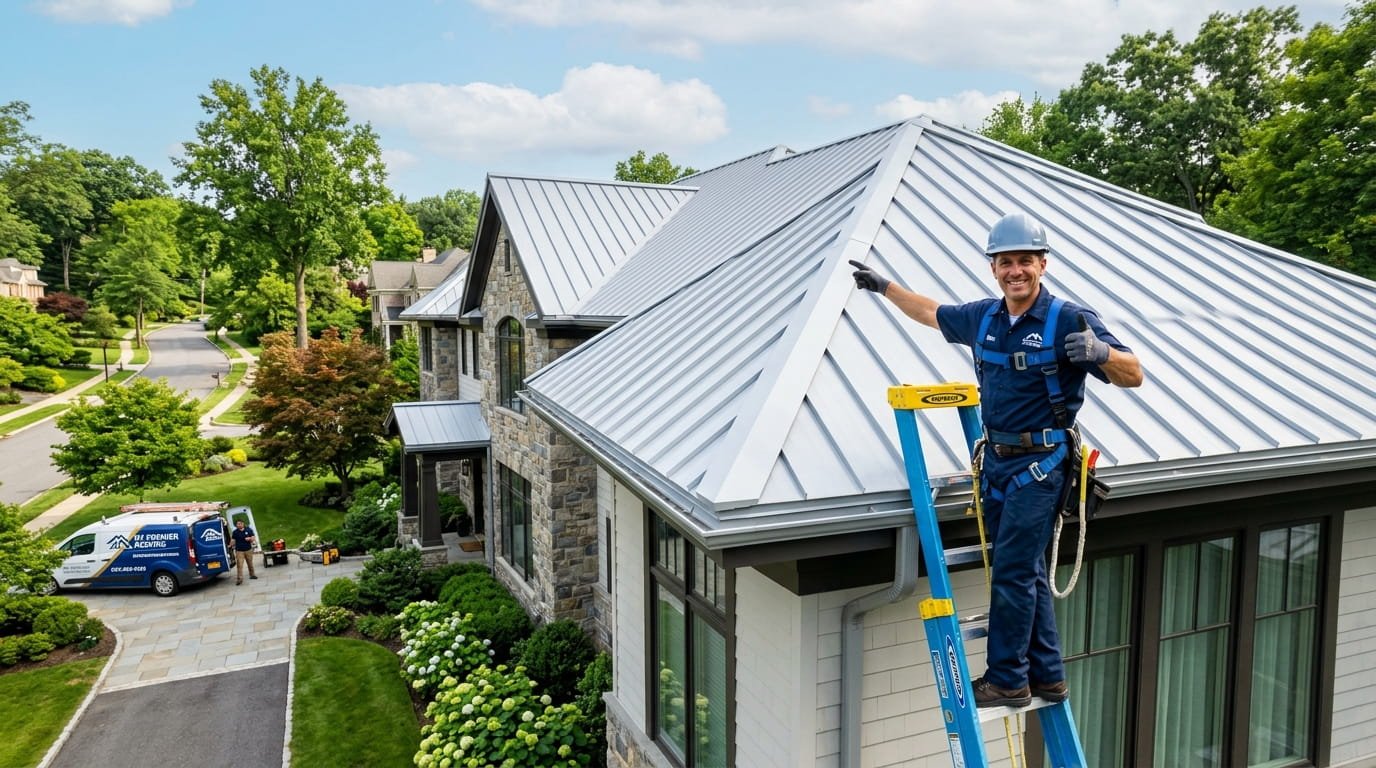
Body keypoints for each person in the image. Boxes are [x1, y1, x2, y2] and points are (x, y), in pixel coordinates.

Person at [850, 211, 1143, 708]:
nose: (1015, 271)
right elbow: (930, 312)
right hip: (997, 463)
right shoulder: (984, 318)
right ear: (994, 268)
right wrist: (884, 287)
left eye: (1024, 261)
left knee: (1010, 572)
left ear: (1042, 264)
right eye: (1005, 262)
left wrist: (1099, 353)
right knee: (1025, 572)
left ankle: (1007, 678)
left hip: (1043, 465)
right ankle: (1047, 674)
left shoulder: (1068, 320)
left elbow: (1133, 374)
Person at [231, 519, 259, 585]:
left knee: (250, 563)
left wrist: (249, 539)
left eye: (240, 523)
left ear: (243, 524)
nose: (239, 525)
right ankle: (239, 579)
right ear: (236, 525)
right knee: (239, 565)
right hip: (239, 551)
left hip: (248, 549)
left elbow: (253, 538)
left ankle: (252, 575)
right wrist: (230, 544)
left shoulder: (248, 530)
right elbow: (233, 540)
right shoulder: (235, 532)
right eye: (238, 524)